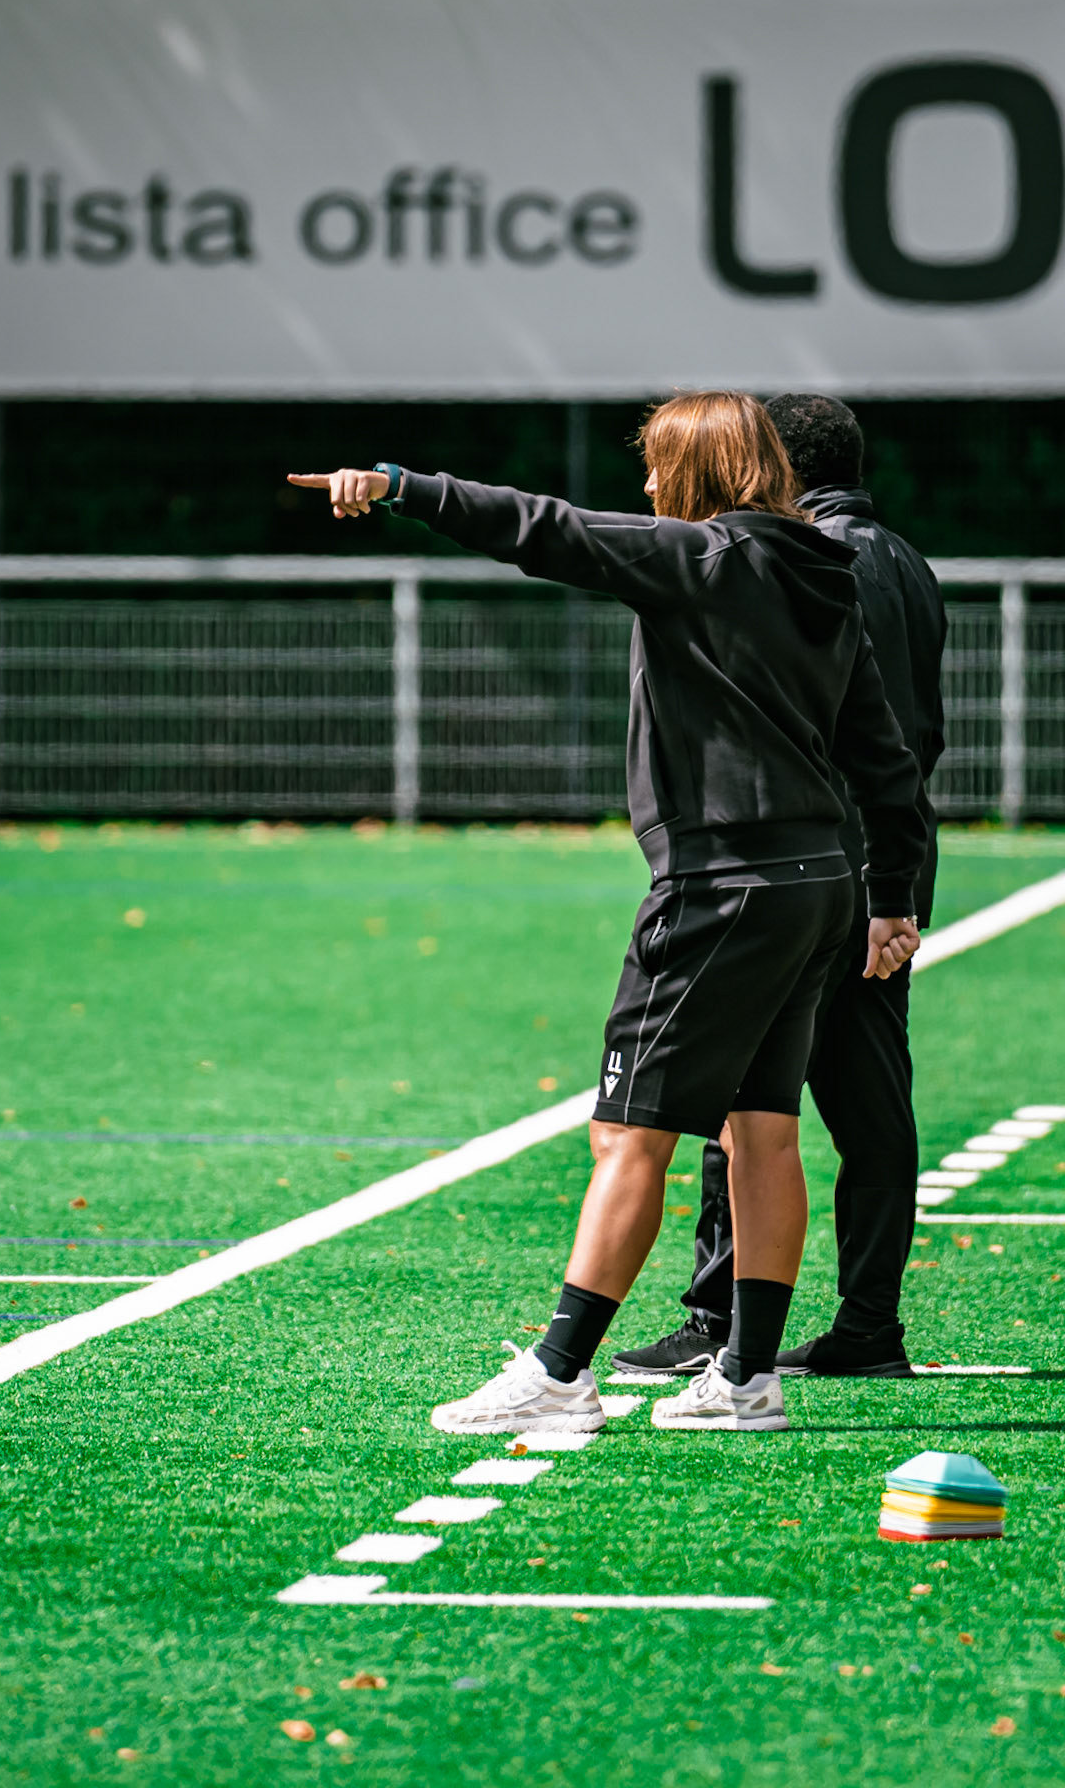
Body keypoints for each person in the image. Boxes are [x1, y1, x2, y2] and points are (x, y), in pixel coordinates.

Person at [287, 391, 926, 1435]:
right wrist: (892, 894)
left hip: (722, 886)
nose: (643, 487)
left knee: (628, 1134)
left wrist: (404, 486)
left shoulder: (705, 559)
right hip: (821, 884)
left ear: (701, 473)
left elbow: (545, 528)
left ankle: (561, 1368)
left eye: (656, 467)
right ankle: (748, 1376)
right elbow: (884, 754)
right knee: (761, 1129)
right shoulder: (829, 575)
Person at [612, 394, 946, 1383]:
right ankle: (869, 1322)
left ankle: (718, 1318)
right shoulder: (907, 560)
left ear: (776, 466)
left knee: (745, 1096)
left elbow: (833, 727)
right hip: (877, 869)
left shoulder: (803, 560)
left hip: (796, 866)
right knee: (873, 1096)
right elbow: (903, 743)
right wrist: (897, 883)